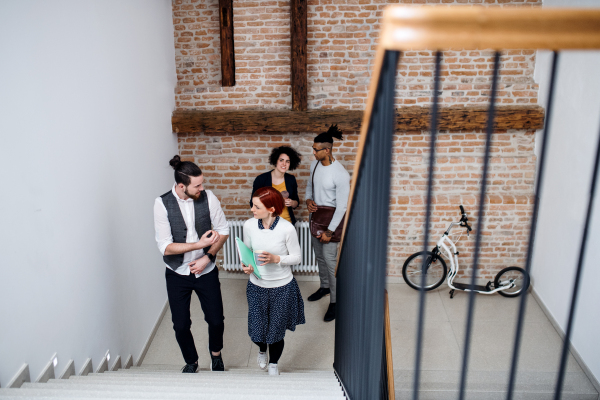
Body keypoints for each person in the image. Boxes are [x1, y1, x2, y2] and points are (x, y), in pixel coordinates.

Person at [154, 155, 230, 373]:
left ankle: (216, 354)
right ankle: (191, 361)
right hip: (177, 272)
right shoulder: (161, 204)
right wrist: (199, 244)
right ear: (181, 186)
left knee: (216, 320)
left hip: (206, 271)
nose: (202, 188)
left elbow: (223, 230)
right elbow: (166, 247)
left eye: (202, 183)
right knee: (180, 325)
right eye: (197, 185)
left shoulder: (209, 198)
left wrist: (207, 256)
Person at [241, 186, 305, 376]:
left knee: (276, 332)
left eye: (256, 206)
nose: (252, 210)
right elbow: (246, 253)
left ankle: (274, 363)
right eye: (252, 205)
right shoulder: (249, 225)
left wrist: (276, 259)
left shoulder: (287, 229)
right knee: (256, 331)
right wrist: (247, 266)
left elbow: (297, 257)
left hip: (282, 288)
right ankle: (262, 350)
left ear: (271, 209)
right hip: (256, 286)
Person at [305, 125, 350, 322]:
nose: (313, 152)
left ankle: (335, 302)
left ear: (327, 150)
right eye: (313, 149)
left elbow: (342, 207)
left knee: (331, 262)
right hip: (316, 219)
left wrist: (330, 232)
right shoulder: (314, 165)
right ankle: (324, 287)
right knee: (319, 257)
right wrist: (308, 200)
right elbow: (309, 186)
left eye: (316, 149)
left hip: (332, 222)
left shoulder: (340, 174)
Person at [250, 146, 302, 225]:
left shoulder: (291, 179)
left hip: (287, 223)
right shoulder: (261, 179)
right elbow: (252, 203)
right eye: (281, 160)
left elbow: (296, 202)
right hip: (267, 223)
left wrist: (292, 203)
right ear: (275, 161)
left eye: (287, 161)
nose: (284, 164)